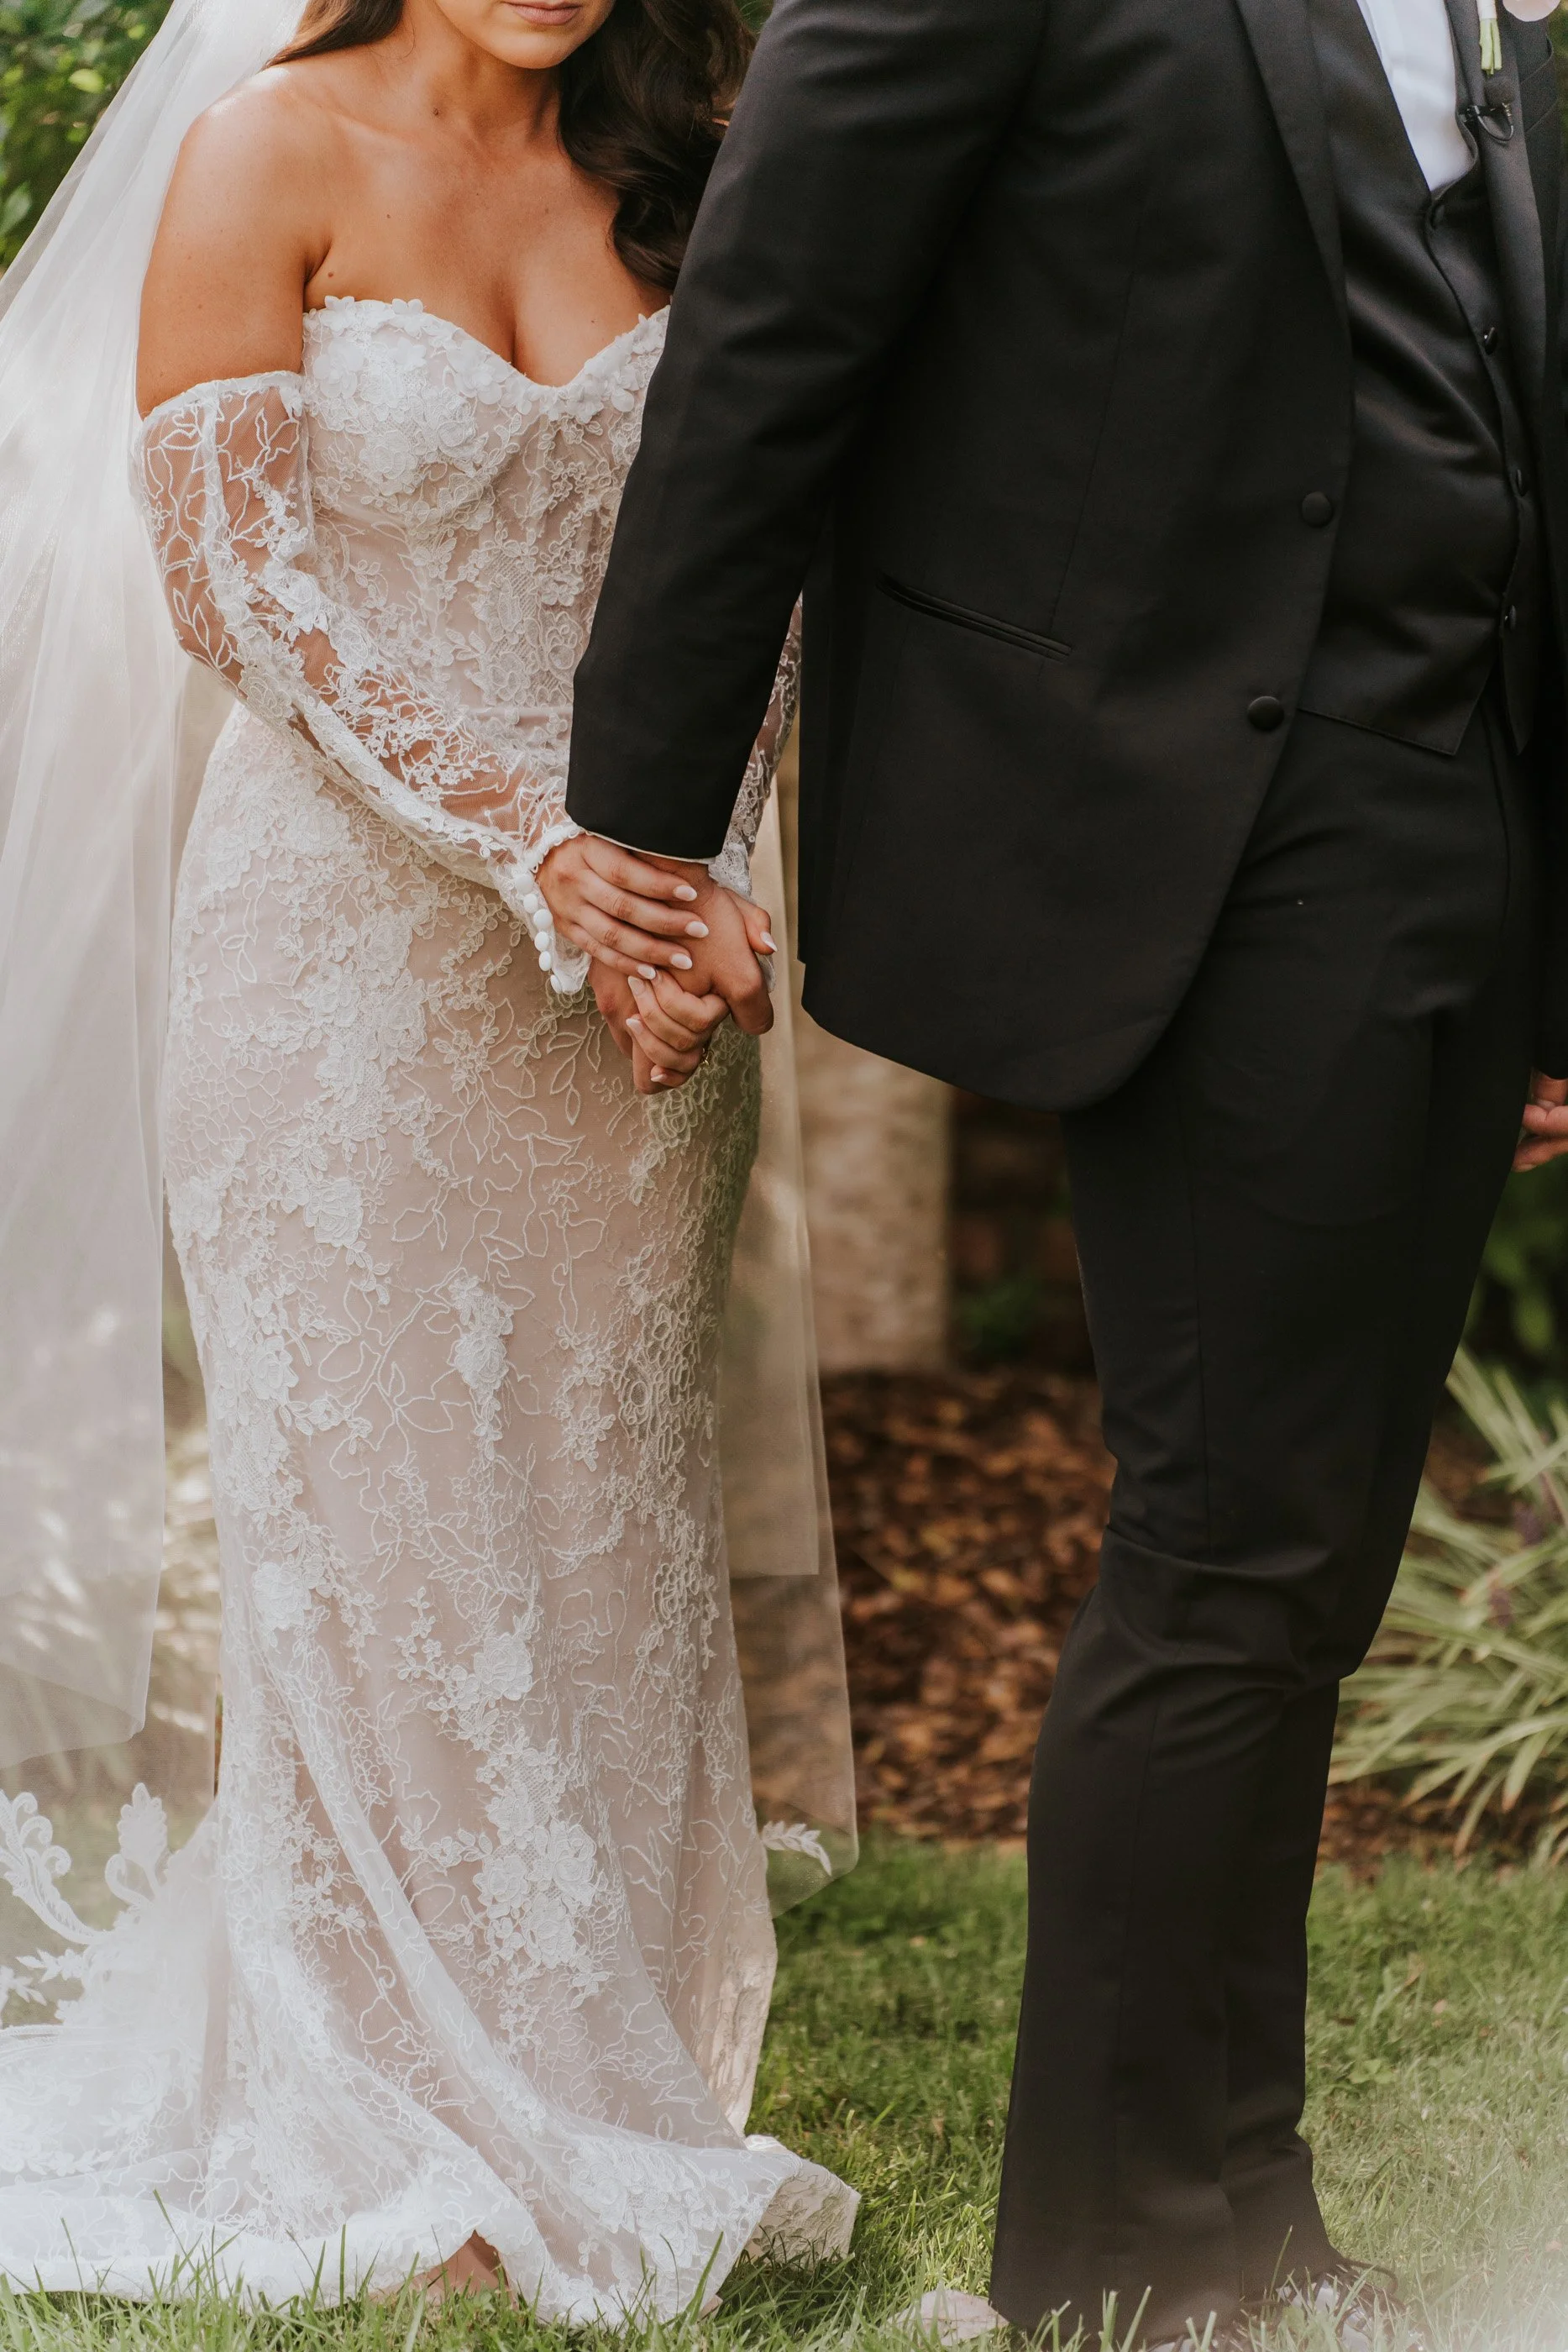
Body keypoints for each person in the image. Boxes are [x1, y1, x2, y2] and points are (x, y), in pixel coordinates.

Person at [547, 0, 1568, 2339]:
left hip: (1448, 835)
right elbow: (777, 328)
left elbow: (1521, 392)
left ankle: (1251, 2228)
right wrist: (643, 811)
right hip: (1198, 831)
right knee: (1223, 1548)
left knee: (1304, 1571)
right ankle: (1111, 2272)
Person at [0, 0, 857, 2313]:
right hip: (345, 975)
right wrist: (538, 847)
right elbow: (242, 593)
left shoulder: (688, 147)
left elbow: (752, 551)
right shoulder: (266, 152)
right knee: (373, 1538)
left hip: (627, 969)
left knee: (594, 1526)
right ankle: (389, 2111)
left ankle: (615, 2070)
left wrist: (710, 876)